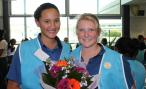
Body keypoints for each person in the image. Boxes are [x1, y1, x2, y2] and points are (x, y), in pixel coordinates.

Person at [7, 3, 71, 89]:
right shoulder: (24, 49)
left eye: (56, 20)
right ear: (37, 22)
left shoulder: (67, 49)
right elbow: (12, 85)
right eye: (47, 21)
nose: (53, 26)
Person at [71, 13, 136, 89]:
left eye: (91, 30)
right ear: (77, 33)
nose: (86, 34)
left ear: (98, 32)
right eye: (81, 30)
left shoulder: (117, 60)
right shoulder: (70, 58)